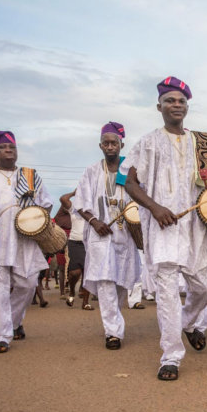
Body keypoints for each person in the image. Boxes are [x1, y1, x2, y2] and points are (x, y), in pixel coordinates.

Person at [122, 76, 207, 381]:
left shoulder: (202, 142)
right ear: (159, 106)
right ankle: (171, 356)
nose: (176, 105)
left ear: (187, 107)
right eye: (170, 101)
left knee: (204, 286)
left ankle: (189, 323)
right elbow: (128, 181)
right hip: (163, 227)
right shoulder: (148, 142)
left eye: (181, 101)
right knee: (166, 293)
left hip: (196, 227)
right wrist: (154, 207)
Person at [73, 122, 141, 350]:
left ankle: (115, 322)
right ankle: (113, 332)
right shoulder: (92, 171)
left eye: (114, 142)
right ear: (100, 145)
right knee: (104, 282)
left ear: (122, 144)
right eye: (106, 143)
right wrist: (94, 221)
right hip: (100, 235)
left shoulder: (129, 170)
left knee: (121, 283)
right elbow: (80, 202)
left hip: (126, 235)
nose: (110, 146)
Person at [0, 131, 52, 353]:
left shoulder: (30, 176)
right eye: (3, 147)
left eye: (11, 148)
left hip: (25, 239)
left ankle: (14, 322)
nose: (8, 151)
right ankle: (1, 336)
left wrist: (36, 220)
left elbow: (46, 203)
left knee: (28, 284)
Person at [60, 190, 93, 310]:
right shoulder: (73, 207)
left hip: (89, 243)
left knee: (87, 273)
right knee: (75, 273)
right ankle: (72, 291)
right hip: (75, 242)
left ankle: (85, 302)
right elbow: (63, 199)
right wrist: (74, 193)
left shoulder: (93, 209)